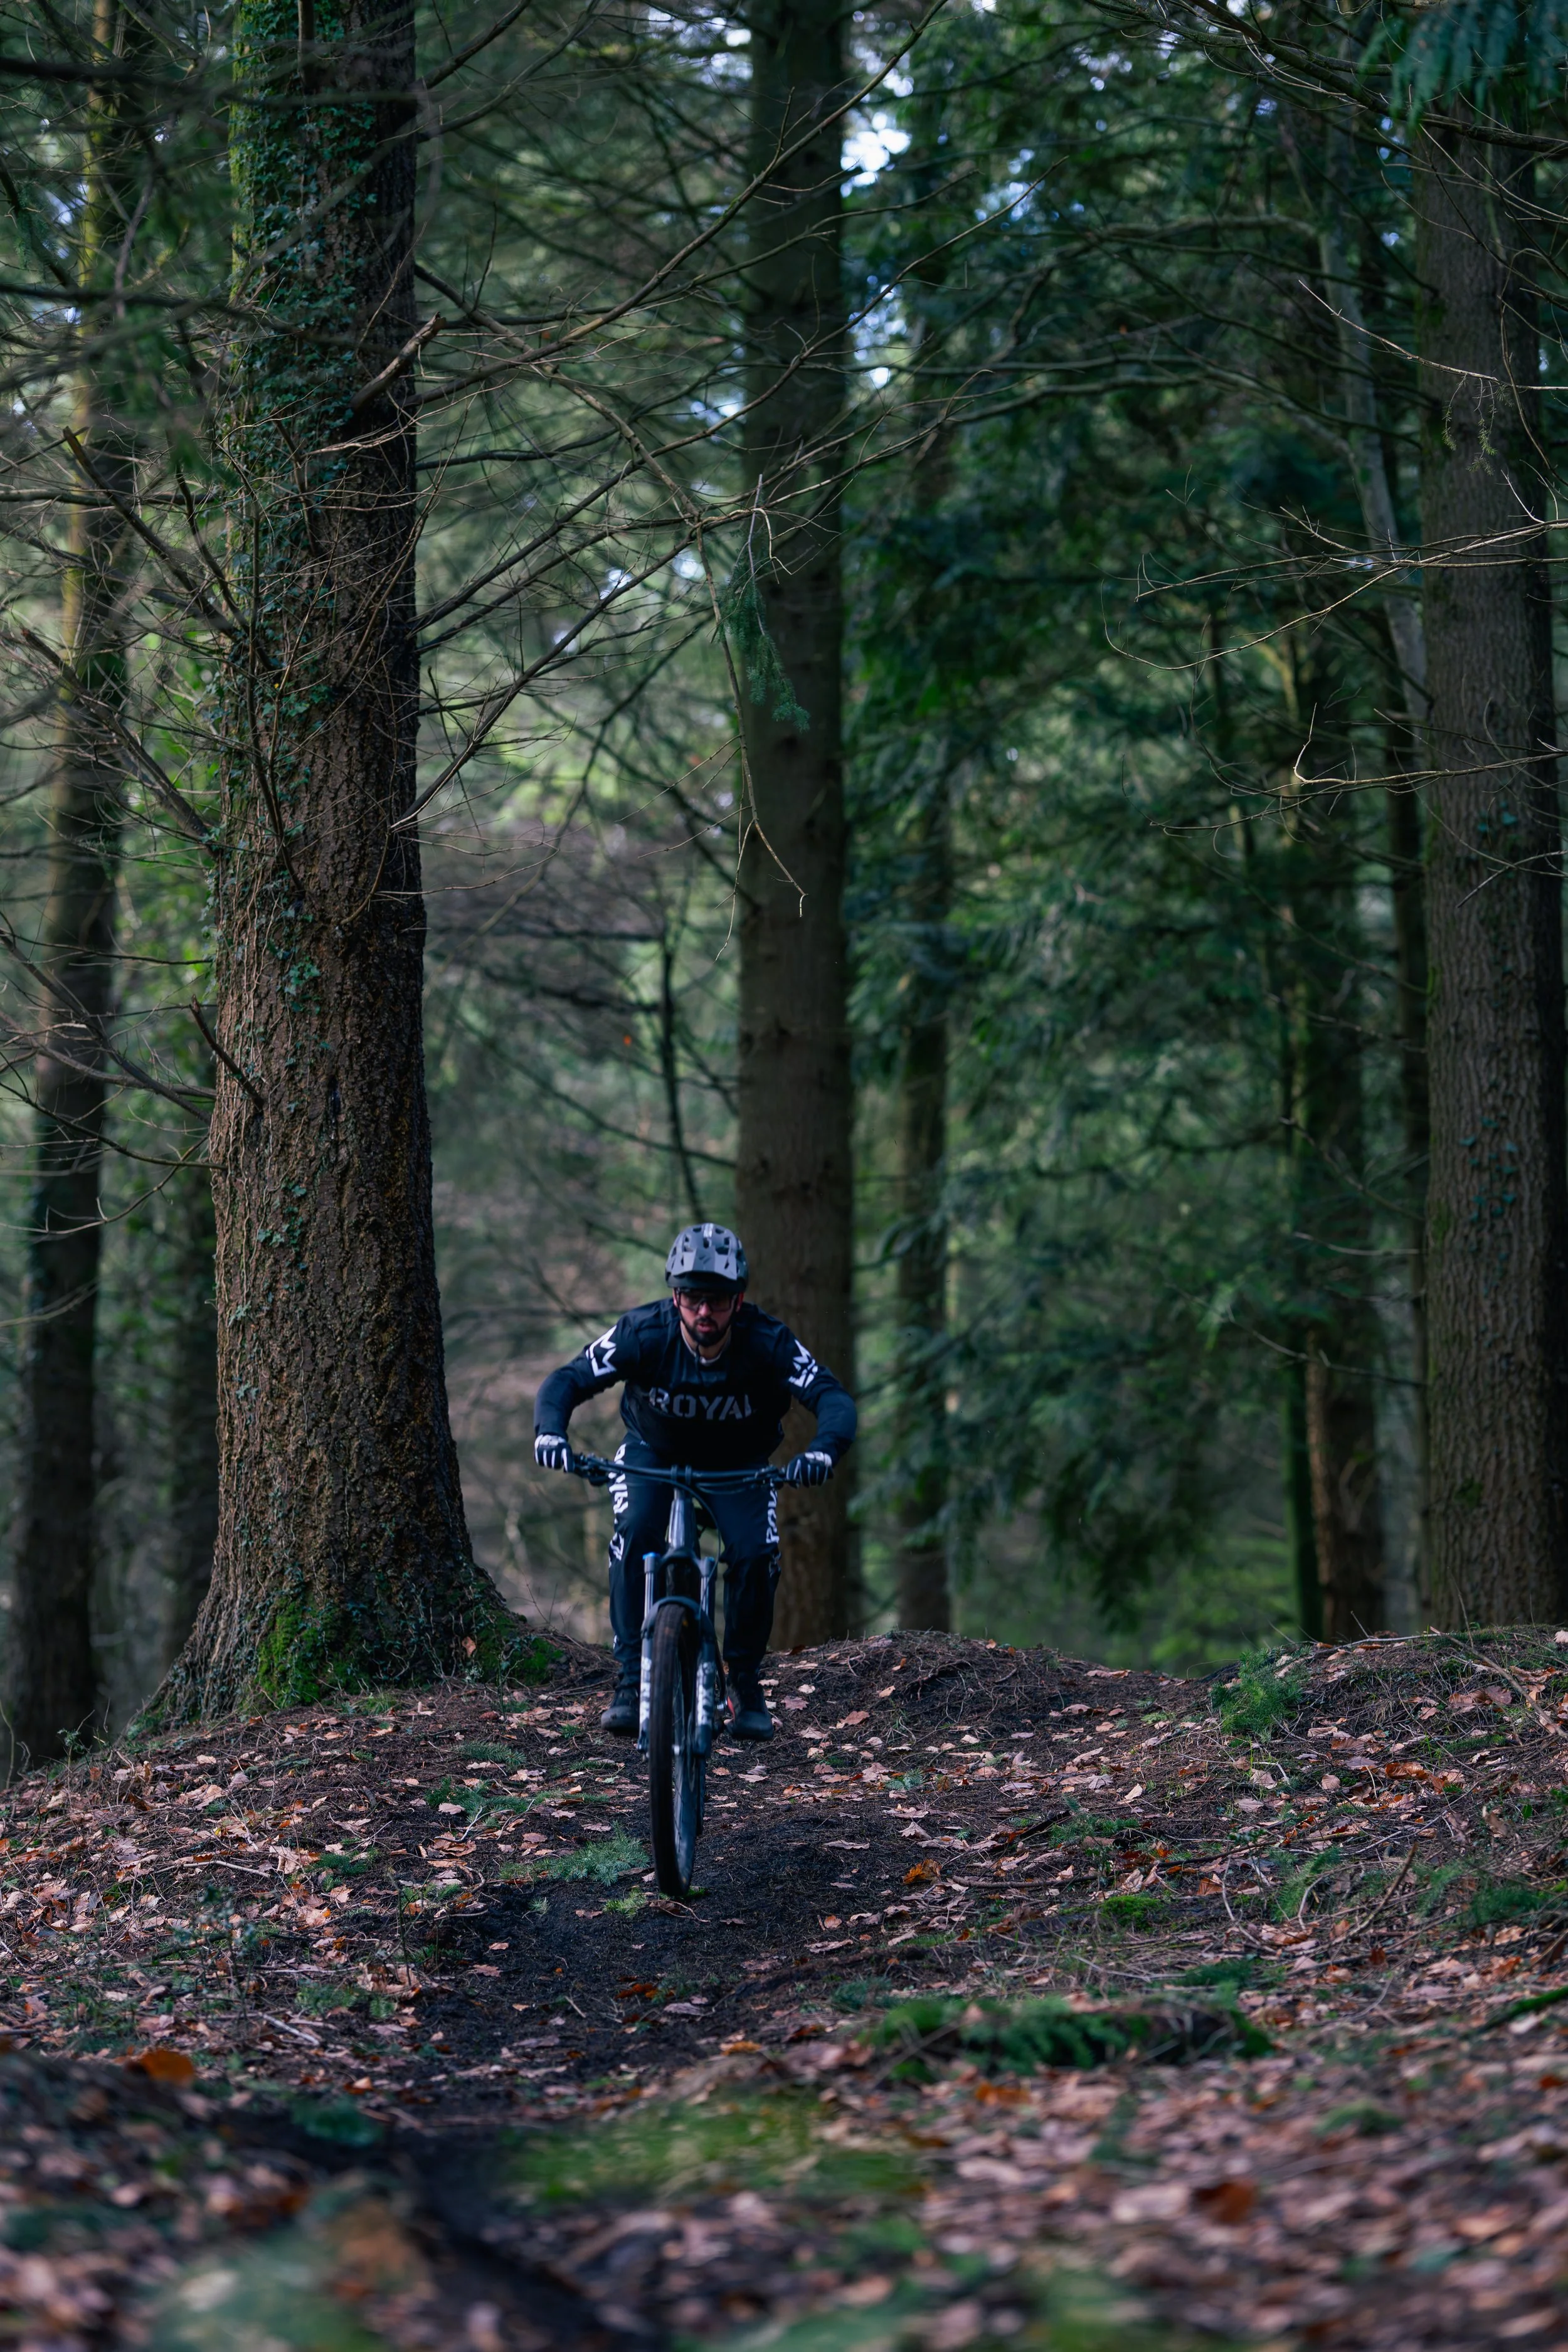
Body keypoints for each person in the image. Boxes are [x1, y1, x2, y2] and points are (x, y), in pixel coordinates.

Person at [533, 1223, 856, 1740]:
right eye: (692, 1298)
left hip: (740, 1465)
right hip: (651, 1455)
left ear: (740, 1299)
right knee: (635, 1531)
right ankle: (631, 1679)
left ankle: (744, 1684)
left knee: (755, 1553)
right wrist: (550, 1433)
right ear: (675, 1295)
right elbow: (568, 1379)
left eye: (719, 1300)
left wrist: (822, 1451)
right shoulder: (644, 1333)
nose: (704, 1312)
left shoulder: (767, 1343)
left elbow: (831, 1396)